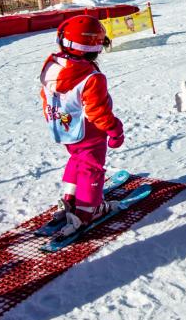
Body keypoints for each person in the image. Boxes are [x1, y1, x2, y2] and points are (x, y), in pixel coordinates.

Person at [40, 15, 124, 237]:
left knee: (77, 159)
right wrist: (115, 130)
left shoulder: (52, 65)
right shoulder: (91, 77)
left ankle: (70, 198)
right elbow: (98, 112)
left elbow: (46, 95)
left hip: (62, 126)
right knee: (92, 167)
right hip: (88, 131)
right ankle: (88, 210)